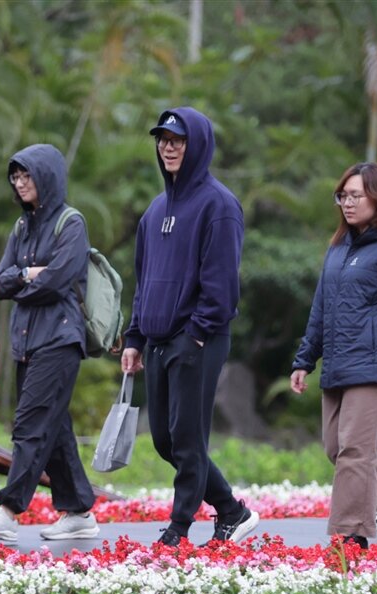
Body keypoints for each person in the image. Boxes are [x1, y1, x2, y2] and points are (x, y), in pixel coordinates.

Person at [120, 107, 258, 548]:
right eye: (162, 140)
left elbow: (221, 285)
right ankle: (232, 510)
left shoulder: (219, 205)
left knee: (187, 436)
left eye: (177, 140)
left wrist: (196, 333)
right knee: (165, 439)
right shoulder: (156, 209)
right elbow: (145, 280)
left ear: (197, 144)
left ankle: (179, 528)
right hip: (158, 340)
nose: (168, 147)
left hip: (199, 337)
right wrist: (135, 337)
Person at [288, 162, 377, 550]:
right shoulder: (338, 248)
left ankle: (349, 538)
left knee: (354, 451)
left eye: (356, 196)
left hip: (376, 366)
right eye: (343, 196)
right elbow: (321, 309)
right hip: (338, 364)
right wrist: (305, 359)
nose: (348, 204)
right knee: (338, 448)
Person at [0, 144, 99, 543]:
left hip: (60, 339)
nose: (19, 182)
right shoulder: (21, 227)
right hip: (27, 341)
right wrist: (29, 273)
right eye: (15, 176)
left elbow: (58, 281)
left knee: (29, 424)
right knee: (55, 427)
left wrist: (22, 281)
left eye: (26, 174)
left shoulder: (71, 223)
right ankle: (78, 508)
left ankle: (9, 511)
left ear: (46, 176)